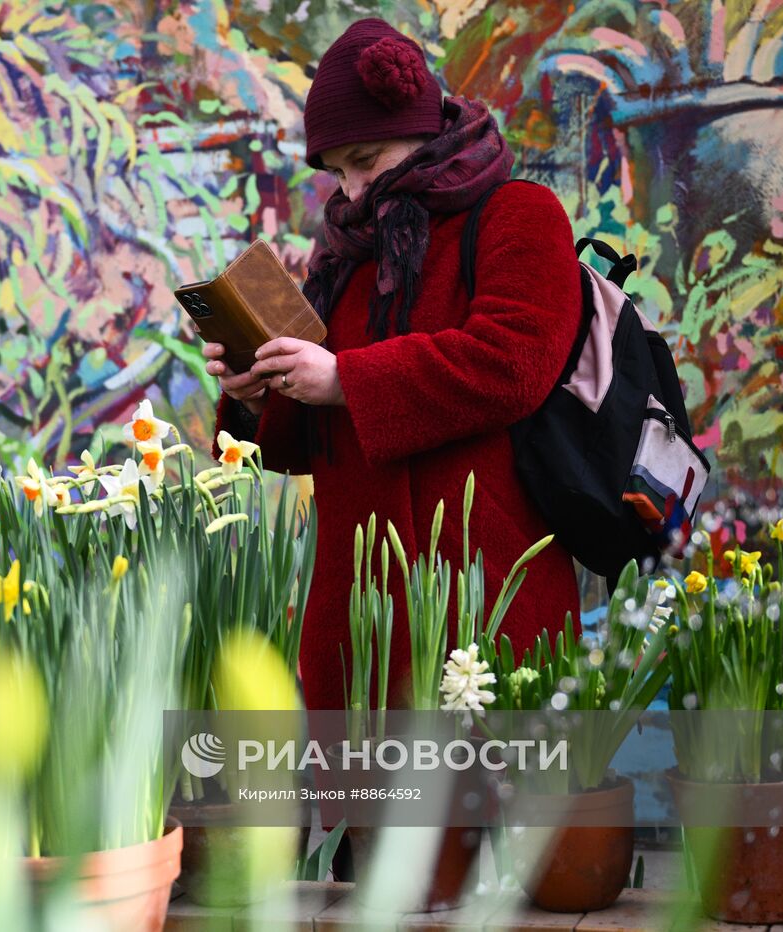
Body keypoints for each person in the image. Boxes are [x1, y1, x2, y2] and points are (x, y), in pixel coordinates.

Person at [206, 18, 582, 712]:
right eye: (336, 170)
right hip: (355, 622)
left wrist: (344, 378)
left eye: (366, 159)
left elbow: (515, 361)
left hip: (485, 601)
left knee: (495, 818)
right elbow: (305, 442)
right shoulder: (346, 254)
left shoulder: (518, 214)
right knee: (363, 819)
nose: (349, 191)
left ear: (423, 130)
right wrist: (258, 393)